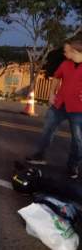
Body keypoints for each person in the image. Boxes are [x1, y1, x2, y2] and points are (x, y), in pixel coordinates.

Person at [26, 37, 82, 179]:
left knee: (78, 140)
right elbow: (57, 77)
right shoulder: (65, 64)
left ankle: (73, 165)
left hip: (78, 110)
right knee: (47, 131)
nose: (64, 53)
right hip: (59, 105)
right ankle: (39, 156)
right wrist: (52, 94)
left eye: (67, 50)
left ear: (75, 51)